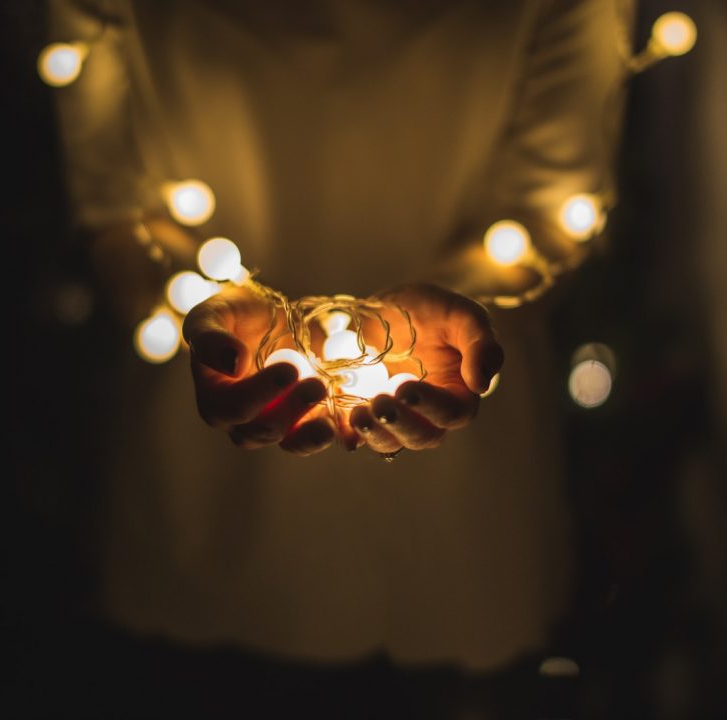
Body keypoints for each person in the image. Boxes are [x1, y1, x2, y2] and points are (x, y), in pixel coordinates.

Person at [47, 0, 631, 687]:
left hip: (451, 523)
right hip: (202, 505)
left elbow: (554, 206)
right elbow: (113, 205)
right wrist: (184, 300)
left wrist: (468, 310)